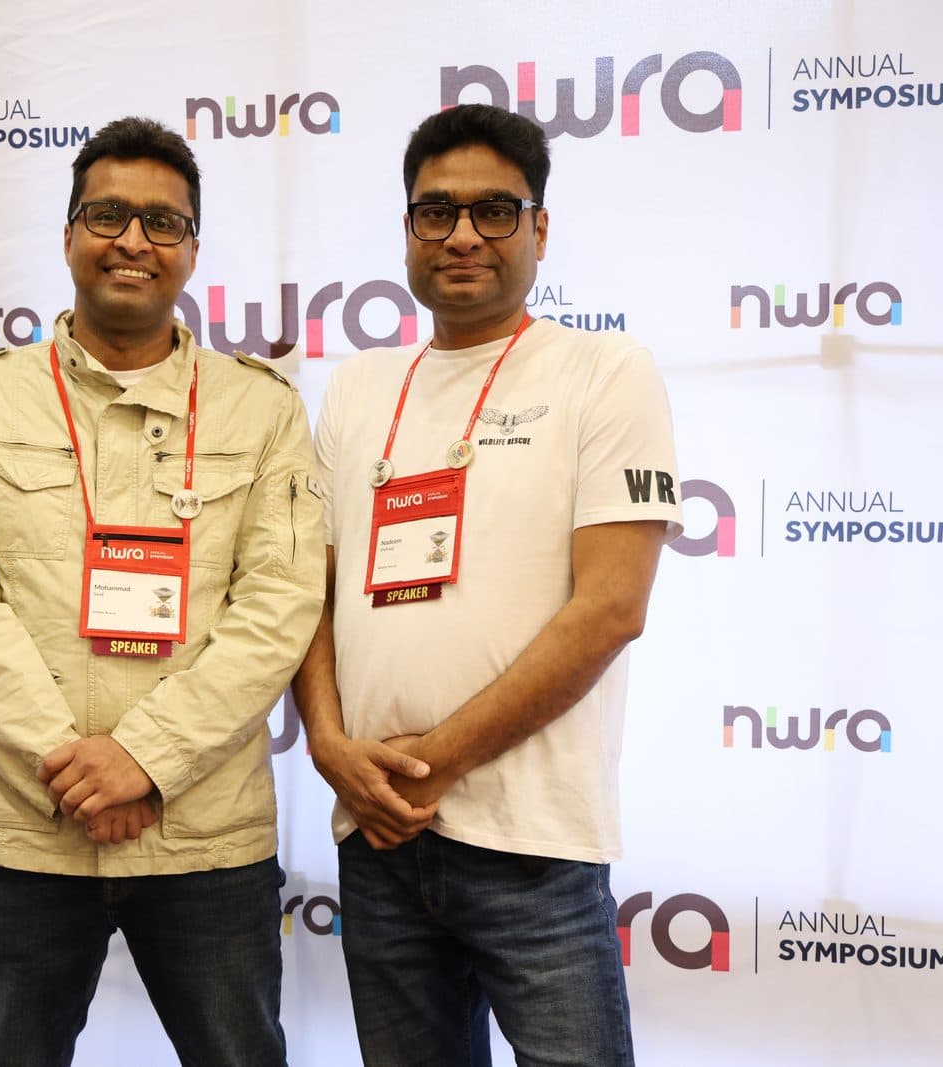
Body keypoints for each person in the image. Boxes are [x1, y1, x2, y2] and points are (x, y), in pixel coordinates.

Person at [0, 115, 324, 1067]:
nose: (133, 240)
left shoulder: (262, 408)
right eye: (108, 215)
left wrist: (144, 758)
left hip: (206, 838)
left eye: (163, 223)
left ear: (190, 250)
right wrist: (73, 768)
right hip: (29, 830)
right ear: (67, 235)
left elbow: (279, 606)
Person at [292, 104, 684, 1066]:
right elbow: (311, 593)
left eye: (495, 210)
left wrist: (426, 764)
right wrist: (333, 748)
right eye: (436, 212)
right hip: (378, 844)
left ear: (539, 228)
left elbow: (610, 609)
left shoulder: (605, 371)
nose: (463, 233)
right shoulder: (356, 387)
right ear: (409, 230)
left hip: (533, 846)